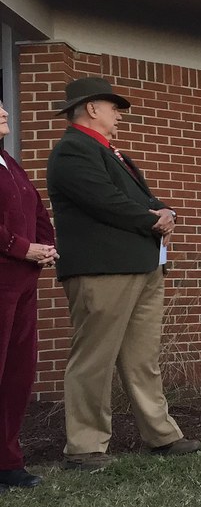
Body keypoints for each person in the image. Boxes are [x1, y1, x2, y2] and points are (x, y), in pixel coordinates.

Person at [46, 77, 201, 471]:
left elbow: (142, 198)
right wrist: (155, 221)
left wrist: (167, 212)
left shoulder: (111, 153)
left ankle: (162, 435)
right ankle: (84, 449)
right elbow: (106, 203)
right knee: (94, 359)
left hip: (143, 265)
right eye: (113, 107)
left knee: (141, 358)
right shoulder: (71, 151)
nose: (119, 114)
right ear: (92, 108)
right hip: (102, 271)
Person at [0, 100, 57, 492]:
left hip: (24, 283)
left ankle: (8, 463)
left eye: (5, 107)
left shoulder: (9, 162)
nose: (5, 113)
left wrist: (47, 245)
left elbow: (37, 209)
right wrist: (22, 247)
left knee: (17, 376)